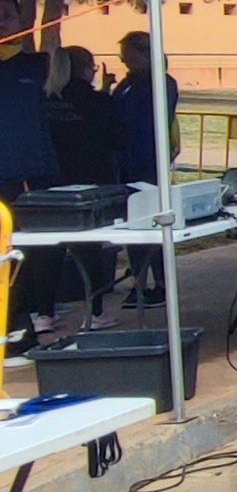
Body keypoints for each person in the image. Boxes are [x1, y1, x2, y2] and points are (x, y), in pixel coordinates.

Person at [43, 45, 125, 330]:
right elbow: (117, 138)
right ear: (85, 67)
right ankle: (96, 312)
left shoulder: (46, 99)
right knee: (89, 248)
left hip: (52, 181)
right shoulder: (95, 101)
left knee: (48, 248)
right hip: (91, 182)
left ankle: (43, 314)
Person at [0, 0, 59, 365]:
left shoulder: (34, 65)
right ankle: (14, 330)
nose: (1, 22)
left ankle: (23, 328)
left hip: (28, 178)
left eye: (7, 15)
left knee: (27, 256)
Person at [111, 30, 177, 310]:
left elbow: (144, 121)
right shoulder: (127, 84)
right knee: (134, 228)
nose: (124, 61)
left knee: (155, 224)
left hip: (149, 163)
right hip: (125, 164)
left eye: (129, 55)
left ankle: (161, 283)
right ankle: (139, 281)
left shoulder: (162, 84)